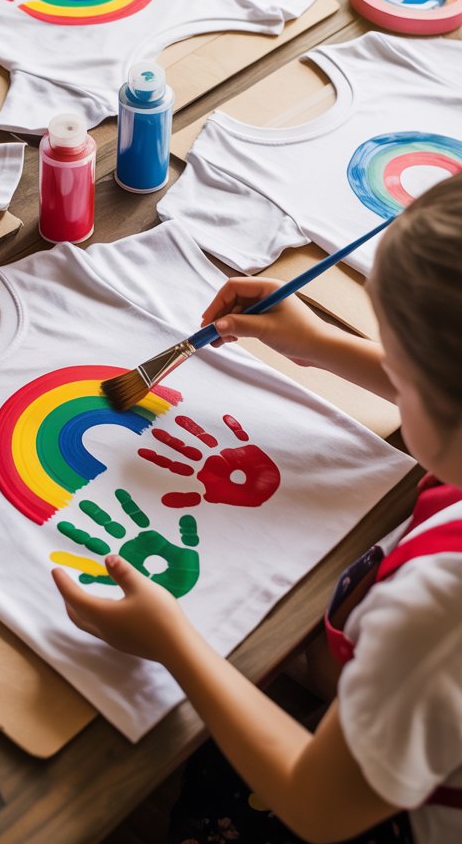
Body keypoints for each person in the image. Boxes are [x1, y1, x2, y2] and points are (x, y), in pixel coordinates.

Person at [54, 173, 462, 844]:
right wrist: (318, 348)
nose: (393, 372)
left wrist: (173, 643)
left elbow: (320, 806)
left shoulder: (440, 609)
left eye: (402, 369)